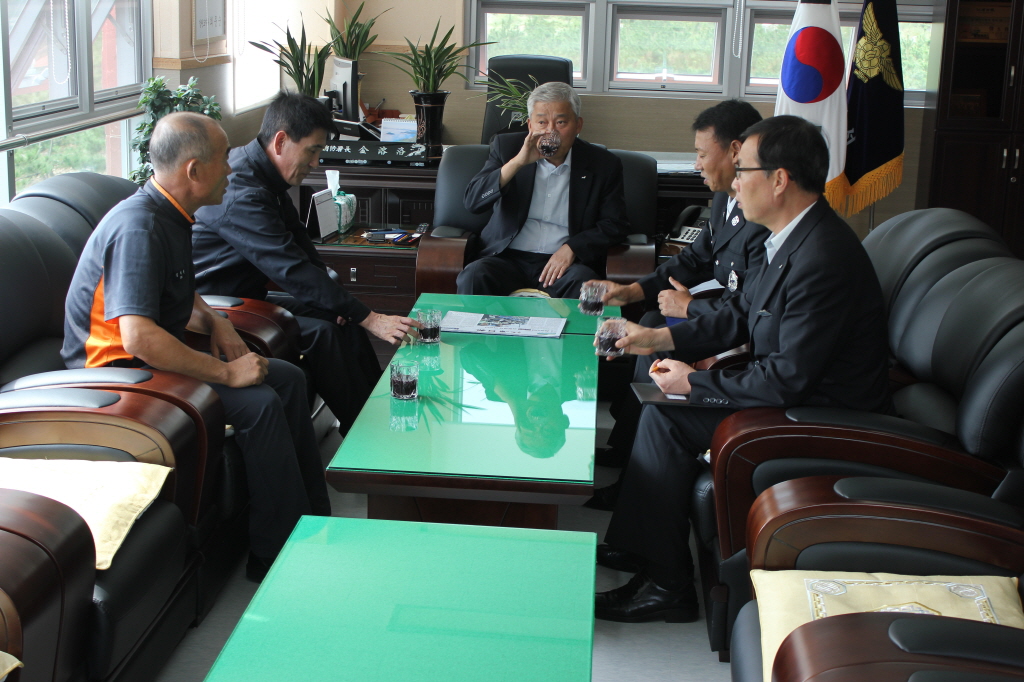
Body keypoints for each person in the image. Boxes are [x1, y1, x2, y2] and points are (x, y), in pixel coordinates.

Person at [594, 115, 892, 623]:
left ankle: (667, 585)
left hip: (823, 418)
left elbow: (787, 379)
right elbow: (738, 315)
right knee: (660, 404)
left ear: (779, 180)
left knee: (666, 417)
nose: (734, 183)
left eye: (744, 171)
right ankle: (646, 552)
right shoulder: (790, 239)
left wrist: (696, 382)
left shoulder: (823, 258)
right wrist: (656, 338)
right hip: (795, 397)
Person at [61, 112, 330, 582]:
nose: (230, 168)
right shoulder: (140, 228)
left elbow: (179, 291)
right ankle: (275, 558)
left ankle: (313, 523)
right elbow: (138, 336)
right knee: (258, 402)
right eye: (224, 158)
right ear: (194, 170)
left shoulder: (170, 214)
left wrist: (216, 323)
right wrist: (225, 373)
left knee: (287, 377)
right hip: (115, 376)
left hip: (148, 358)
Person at [191, 92, 416, 436]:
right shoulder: (242, 192)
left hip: (246, 295)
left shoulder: (263, 173)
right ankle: (368, 435)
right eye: (312, 151)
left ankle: (374, 415)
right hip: (214, 306)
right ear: (281, 141)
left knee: (344, 318)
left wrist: (341, 304)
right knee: (325, 332)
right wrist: (371, 318)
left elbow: (299, 244)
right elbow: (290, 269)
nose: (316, 163)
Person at [585, 100, 770, 485]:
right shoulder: (725, 199)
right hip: (726, 317)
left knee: (657, 335)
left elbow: (749, 309)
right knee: (653, 320)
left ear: (736, 151)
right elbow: (694, 259)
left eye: (702, 154)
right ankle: (627, 447)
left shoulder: (763, 216)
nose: (696, 164)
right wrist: (630, 291)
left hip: (740, 338)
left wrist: (689, 308)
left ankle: (632, 461)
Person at [457, 81, 630, 298]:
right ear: (530, 125)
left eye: (561, 122)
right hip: (506, 258)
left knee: (587, 286)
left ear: (578, 125)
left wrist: (573, 248)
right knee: (474, 275)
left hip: (565, 265)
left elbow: (615, 224)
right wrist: (517, 163)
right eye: (542, 122)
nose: (550, 131)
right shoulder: (507, 148)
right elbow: (473, 202)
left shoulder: (603, 164)